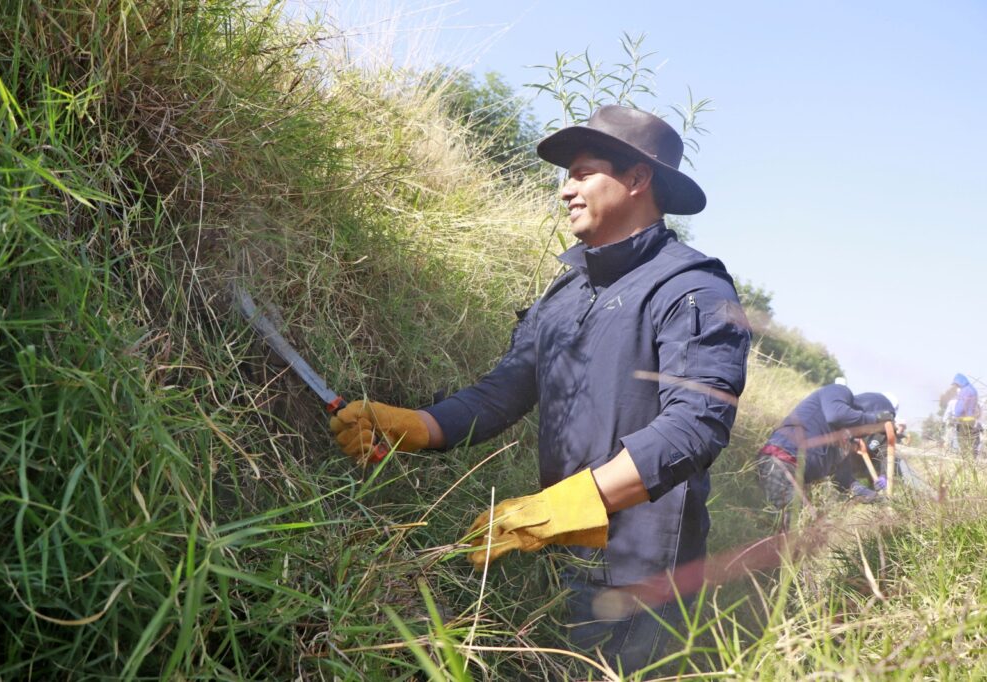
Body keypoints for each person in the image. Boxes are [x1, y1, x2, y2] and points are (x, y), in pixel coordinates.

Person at [328, 105, 751, 672]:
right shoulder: (566, 293)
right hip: (561, 554)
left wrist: (560, 507)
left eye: (582, 173)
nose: (565, 191)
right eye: (566, 176)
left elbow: (695, 426)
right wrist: (410, 426)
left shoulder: (691, 287)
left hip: (643, 571)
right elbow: (500, 393)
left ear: (636, 179)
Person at [756, 384, 895, 520]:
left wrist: (875, 498)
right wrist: (875, 419)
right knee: (800, 529)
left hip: (793, 476)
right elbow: (836, 415)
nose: (870, 432)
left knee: (805, 530)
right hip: (780, 462)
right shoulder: (838, 391)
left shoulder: (845, 440)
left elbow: (845, 481)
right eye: (875, 428)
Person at [941, 374, 979, 456]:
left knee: (963, 442)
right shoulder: (973, 390)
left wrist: (956, 416)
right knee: (970, 442)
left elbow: (960, 407)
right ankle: (971, 460)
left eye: (957, 384)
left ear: (961, 382)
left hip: (963, 421)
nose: (956, 386)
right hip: (972, 420)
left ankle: (965, 461)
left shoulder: (965, 391)